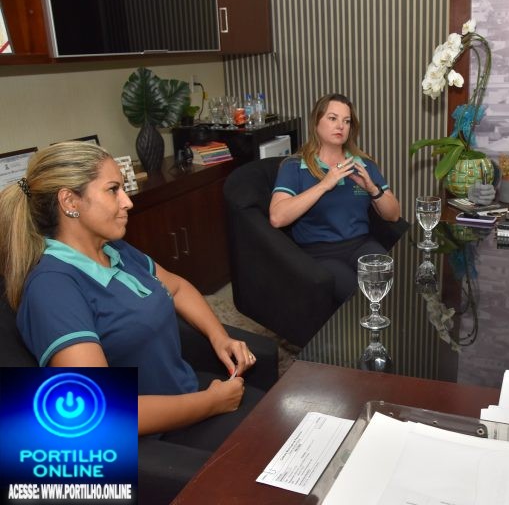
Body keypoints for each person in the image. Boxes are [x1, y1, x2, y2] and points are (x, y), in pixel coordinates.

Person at [0, 142, 276, 451]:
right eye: (113, 190)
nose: (127, 202)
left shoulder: (112, 249)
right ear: (69, 201)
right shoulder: (53, 288)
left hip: (185, 393)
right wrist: (211, 403)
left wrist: (219, 337)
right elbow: (101, 412)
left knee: (281, 419)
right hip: (153, 440)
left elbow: (178, 287)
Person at [269, 93, 401, 303]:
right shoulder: (294, 166)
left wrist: (373, 189)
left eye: (346, 121)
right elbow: (277, 217)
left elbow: (393, 215)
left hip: (361, 244)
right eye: (332, 118)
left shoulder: (363, 164)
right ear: (316, 122)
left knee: (389, 283)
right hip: (319, 252)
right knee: (355, 295)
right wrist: (324, 184)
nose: (340, 126)